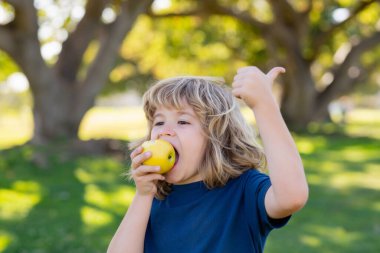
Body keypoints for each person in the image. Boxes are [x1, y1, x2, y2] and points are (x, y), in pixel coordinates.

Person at [107, 66, 309, 253]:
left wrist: (264, 105)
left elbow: (292, 196)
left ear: (217, 137)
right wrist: (142, 196)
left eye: (183, 121)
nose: (165, 132)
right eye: (159, 122)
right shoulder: (154, 197)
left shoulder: (244, 189)